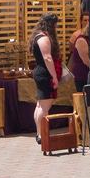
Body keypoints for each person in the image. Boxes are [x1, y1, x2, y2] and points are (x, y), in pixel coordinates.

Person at [30, 12, 61, 144]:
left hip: (40, 71)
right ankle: (42, 134)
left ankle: (39, 133)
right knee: (44, 107)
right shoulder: (44, 38)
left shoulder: (38, 36)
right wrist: (54, 76)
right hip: (44, 73)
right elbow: (47, 58)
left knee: (40, 105)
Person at [68, 13, 90, 92]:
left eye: (88, 20)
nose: (87, 22)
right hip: (82, 74)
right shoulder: (78, 36)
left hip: (86, 73)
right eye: (85, 20)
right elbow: (71, 49)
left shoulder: (87, 38)